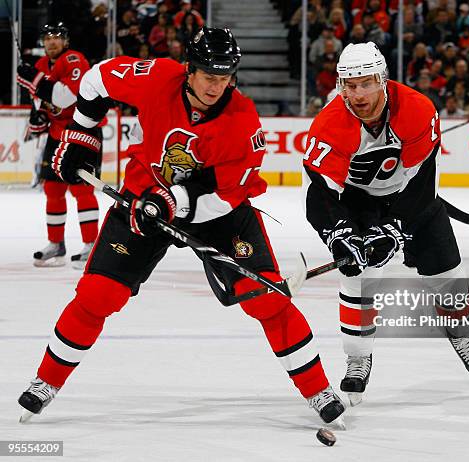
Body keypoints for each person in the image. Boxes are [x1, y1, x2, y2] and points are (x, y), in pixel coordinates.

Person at [17, 27, 345, 427]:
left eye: (225, 77)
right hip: (142, 199)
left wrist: (175, 203)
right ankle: (45, 382)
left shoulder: (243, 121)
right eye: (209, 75)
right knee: (98, 294)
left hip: (218, 214)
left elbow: (224, 196)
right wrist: (82, 132)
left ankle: (318, 389)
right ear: (189, 70)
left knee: (267, 298)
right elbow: (95, 79)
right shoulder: (156, 77)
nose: (216, 85)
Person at [302, 42, 469, 406]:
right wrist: (339, 235)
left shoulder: (416, 109)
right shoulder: (329, 124)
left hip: (411, 197)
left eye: (366, 83)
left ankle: (459, 330)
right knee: (357, 278)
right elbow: (319, 193)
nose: (358, 94)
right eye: (349, 84)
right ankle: (358, 357)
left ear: (383, 80)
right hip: (356, 204)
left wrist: (397, 228)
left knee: (449, 272)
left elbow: (423, 180)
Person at [16, 22, 101, 269]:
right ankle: (56, 244)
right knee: (53, 190)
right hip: (57, 135)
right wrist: (38, 114)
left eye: (57, 37)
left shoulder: (75, 60)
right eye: (47, 38)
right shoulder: (42, 66)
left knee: (82, 190)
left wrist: (36, 81)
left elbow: (66, 97)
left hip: (81, 132)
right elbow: (41, 99)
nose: (52, 42)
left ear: (66, 41)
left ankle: (90, 244)